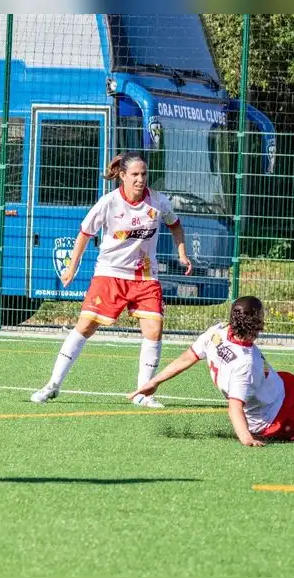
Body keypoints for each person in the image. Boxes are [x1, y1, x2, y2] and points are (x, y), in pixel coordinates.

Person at [30, 151, 192, 408]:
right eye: (135, 175)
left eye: (144, 174)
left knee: (154, 330)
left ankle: (143, 393)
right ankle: (52, 385)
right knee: (85, 327)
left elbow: (175, 225)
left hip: (145, 277)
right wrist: (72, 267)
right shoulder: (109, 202)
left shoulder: (159, 202)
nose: (140, 179)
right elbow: (84, 233)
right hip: (110, 274)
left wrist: (182, 253)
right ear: (123, 176)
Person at [129, 296, 294, 445]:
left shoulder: (217, 331)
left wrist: (156, 381)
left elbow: (188, 356)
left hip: (280, 385)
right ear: (256, 321)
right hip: (273, 416)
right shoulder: (244, 364)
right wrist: (246, 437)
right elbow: (235, 407)